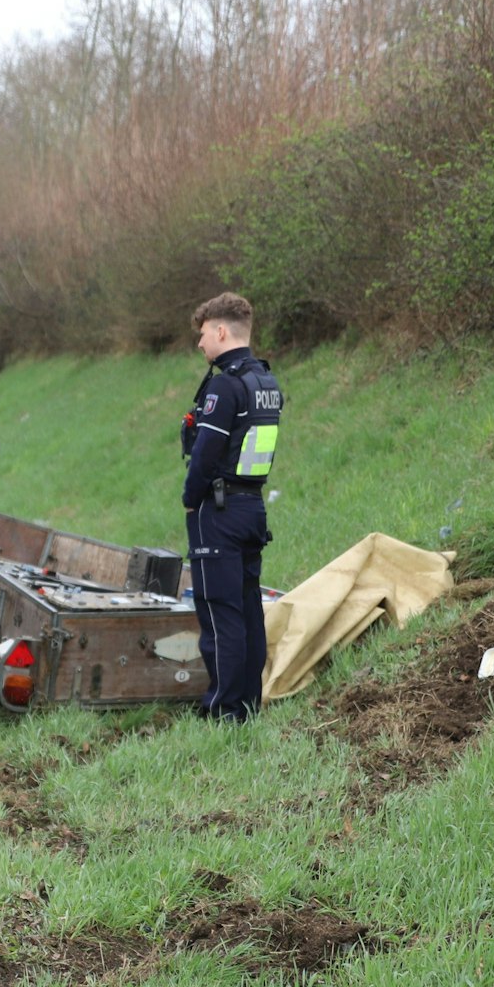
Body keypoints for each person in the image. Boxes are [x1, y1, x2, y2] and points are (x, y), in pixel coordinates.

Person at [180, 292, 283, 721]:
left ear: (221, 331)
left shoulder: (224, 385)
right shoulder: (266, 382)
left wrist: (190, 499)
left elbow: (205, 453)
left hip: (219, 511)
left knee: (220, 613)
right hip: (251, 507)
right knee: (247, 611)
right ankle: (247, 705)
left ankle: (223, 711)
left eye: (204, 335)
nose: (201, 344)